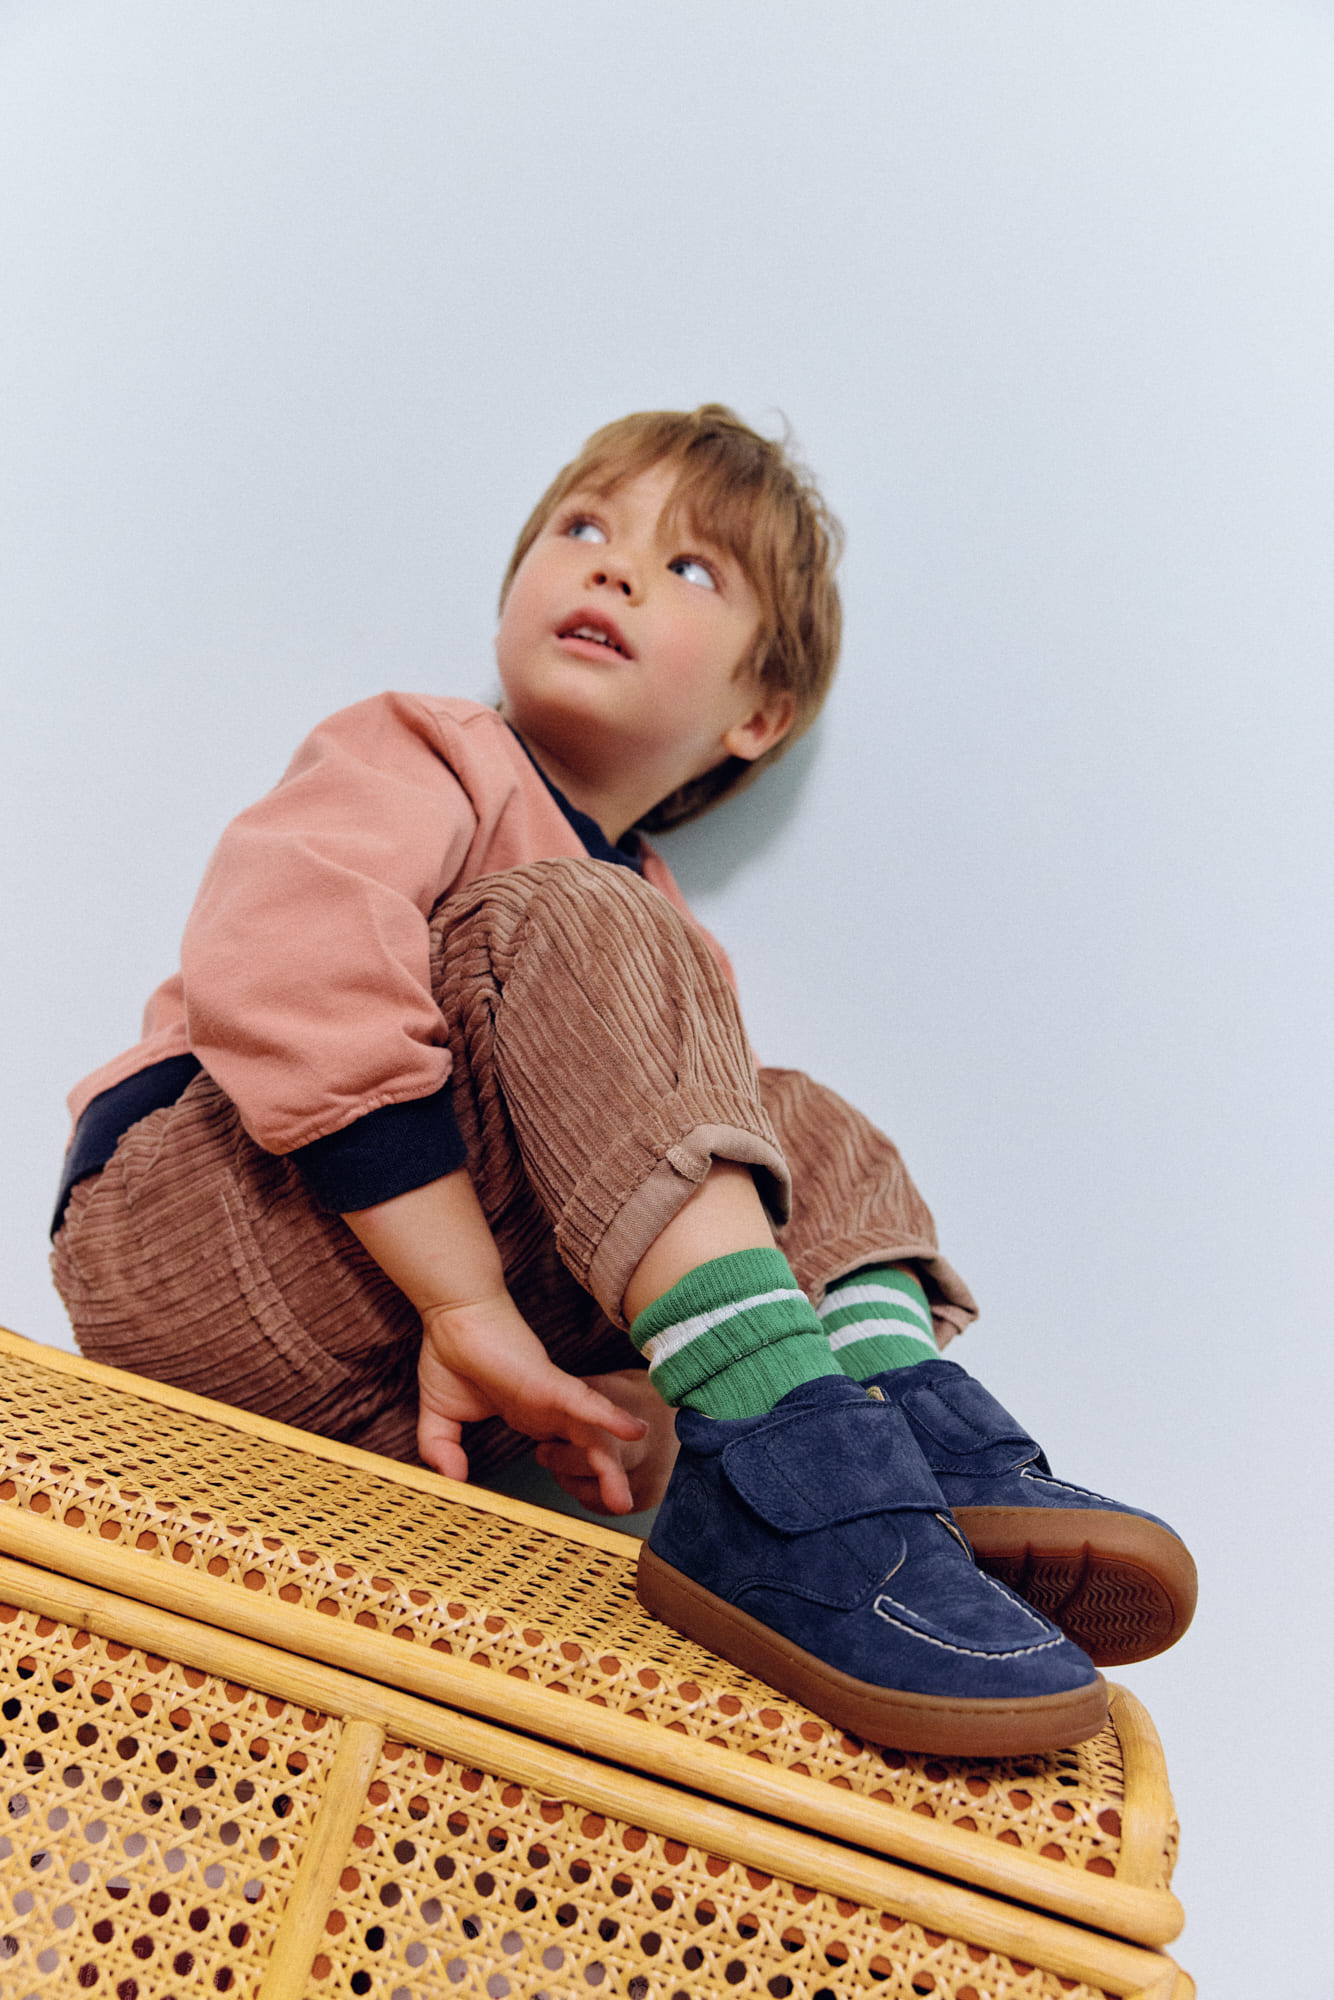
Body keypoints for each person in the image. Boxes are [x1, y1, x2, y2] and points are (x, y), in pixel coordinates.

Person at [50, 406, 1195, 1757]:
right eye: (582, 527)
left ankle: (866, 1431)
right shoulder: (430, 748)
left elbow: (650, 1222)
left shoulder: (656, 944)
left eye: (689, 567)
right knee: (595, 932)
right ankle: (794, 1446)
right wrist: (463, 1296)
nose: (614, 567)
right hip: (211, 1230)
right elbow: (285, 966)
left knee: (797, 1122)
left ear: (757, 715)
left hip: (405, 1387)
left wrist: (630, 1419)